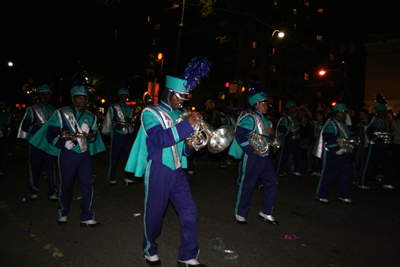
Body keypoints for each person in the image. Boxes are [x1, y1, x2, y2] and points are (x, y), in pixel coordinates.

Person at [125, 57, 211, 267]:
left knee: (190, 213)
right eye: (180, 97)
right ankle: (149, 249)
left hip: (178, 171)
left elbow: (184, 150)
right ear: (170, 94)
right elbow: (160, 139)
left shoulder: (180, 115)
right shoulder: (149, 113)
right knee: (155, 216)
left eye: (185, 97)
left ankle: (188, 255)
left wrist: (192, 144)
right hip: (158, 170)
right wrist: (187, 126)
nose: (183, 101)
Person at [29, 75, 106, 227]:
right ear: (72, 98)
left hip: (84, 155)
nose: (83, 100)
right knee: (67, 185)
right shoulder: (61, 113)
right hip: (67, 154)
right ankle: (63, 212)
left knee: (88, 184)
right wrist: (64, 144)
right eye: (79, 97)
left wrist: (89, 133)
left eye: (85, 98)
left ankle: (86, 215)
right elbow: (50, 134)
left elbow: (92, 138)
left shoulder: (91, 116)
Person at [228, 81, 279, 226]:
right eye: (264, 103)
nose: (266, 106)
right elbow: (240, 134)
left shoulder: (266, 120)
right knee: (248, 184)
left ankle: (266, 212)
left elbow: (269, 138)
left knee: (272, 181)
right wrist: (251, 150)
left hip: (264, 157)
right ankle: (241, 213)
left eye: (266, 104)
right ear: (256, 104)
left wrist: (272, 132)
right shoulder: (250, 118)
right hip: (252, 156)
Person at [17, 84, 57, 201]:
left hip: (49, 143)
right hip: (36, 143)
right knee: (35, 167)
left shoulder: (53, 110)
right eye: (45, 93)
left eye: (49, 93)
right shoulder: (32, 109)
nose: (48, 96)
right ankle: (34, 190)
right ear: (40, 95)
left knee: (51, 167)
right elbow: (25, 125)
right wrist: (38, 130)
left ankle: (52, 191)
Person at [314, 103, 355, 203]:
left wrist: (350, 124)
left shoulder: (342, 123)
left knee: (346, 173)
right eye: (345, 112)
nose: (346, 115)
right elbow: (328, 137)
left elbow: (351, 134)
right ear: (340, 112)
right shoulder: (331, 122)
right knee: (329, 174)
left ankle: (342, 194)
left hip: (344, 152)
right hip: (333, 152)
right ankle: (321, 195)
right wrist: (337, 148)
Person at [359, 97, 395, 190]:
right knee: (369, 164)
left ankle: (388, 182)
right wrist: (378, 140)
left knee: (388, 163)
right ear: (381, 111)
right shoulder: (377, 121)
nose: (385, 112)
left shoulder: (382, 120)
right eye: (384, 110)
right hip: (374, 145)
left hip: (379, 145)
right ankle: (362, 182)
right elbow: (369, 132)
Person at [102, 87, 135, 185]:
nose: (125, 97)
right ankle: (111, 177)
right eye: (123, 95)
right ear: (119, 96)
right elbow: (108, 121)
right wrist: (117, 125)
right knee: (114, 156)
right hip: (117, 134)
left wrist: (130, 122)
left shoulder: (130, 108)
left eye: (127, 95)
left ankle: (128, 177)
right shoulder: (113, 107)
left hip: (127, 134)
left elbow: (132, 121)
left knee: (129, 156)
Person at [276, 101, 303, 177]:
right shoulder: (284, 118)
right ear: (290, 108)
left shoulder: (295, 118)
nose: (295, 108)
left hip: (294, 139)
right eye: (294, 107)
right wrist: (290, 133)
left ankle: (297, 170)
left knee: (298, 154)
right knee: (284, 155)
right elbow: (281, 128)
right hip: (287, 139)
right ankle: (280, 171)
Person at [0, 100, 12, 177]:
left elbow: (9, 127)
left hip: (2, 137)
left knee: (1, 153)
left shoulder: (6, 117)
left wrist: (7, 133)